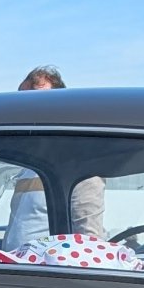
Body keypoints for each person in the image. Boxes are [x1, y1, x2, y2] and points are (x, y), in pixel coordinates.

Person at [11, 66, 106, 240]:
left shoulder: (80, 169)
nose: (27, 108)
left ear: (58, 107)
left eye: (37, 98)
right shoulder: (26, 167)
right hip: (7, 266)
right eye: (21, 99)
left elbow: (90, 241)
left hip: (46, 267)